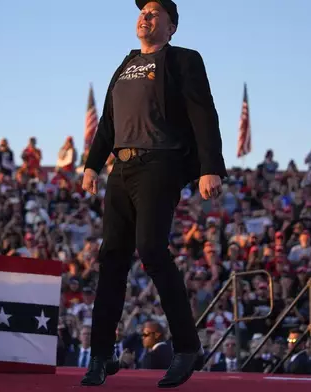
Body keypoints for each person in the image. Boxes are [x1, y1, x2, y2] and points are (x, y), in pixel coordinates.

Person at [80, 0, 226, 388]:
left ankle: (186, 347)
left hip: (160, 162)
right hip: (121, 168)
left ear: (172, 27)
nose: (146, 16)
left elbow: (203, 112)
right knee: (111, 258)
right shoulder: (126, 63)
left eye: (155, 13)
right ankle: (99, 355)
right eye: (142, 12)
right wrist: (92, 164)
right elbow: (109, 123)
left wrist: (211, 165)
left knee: (151, 250)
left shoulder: (183, 60)